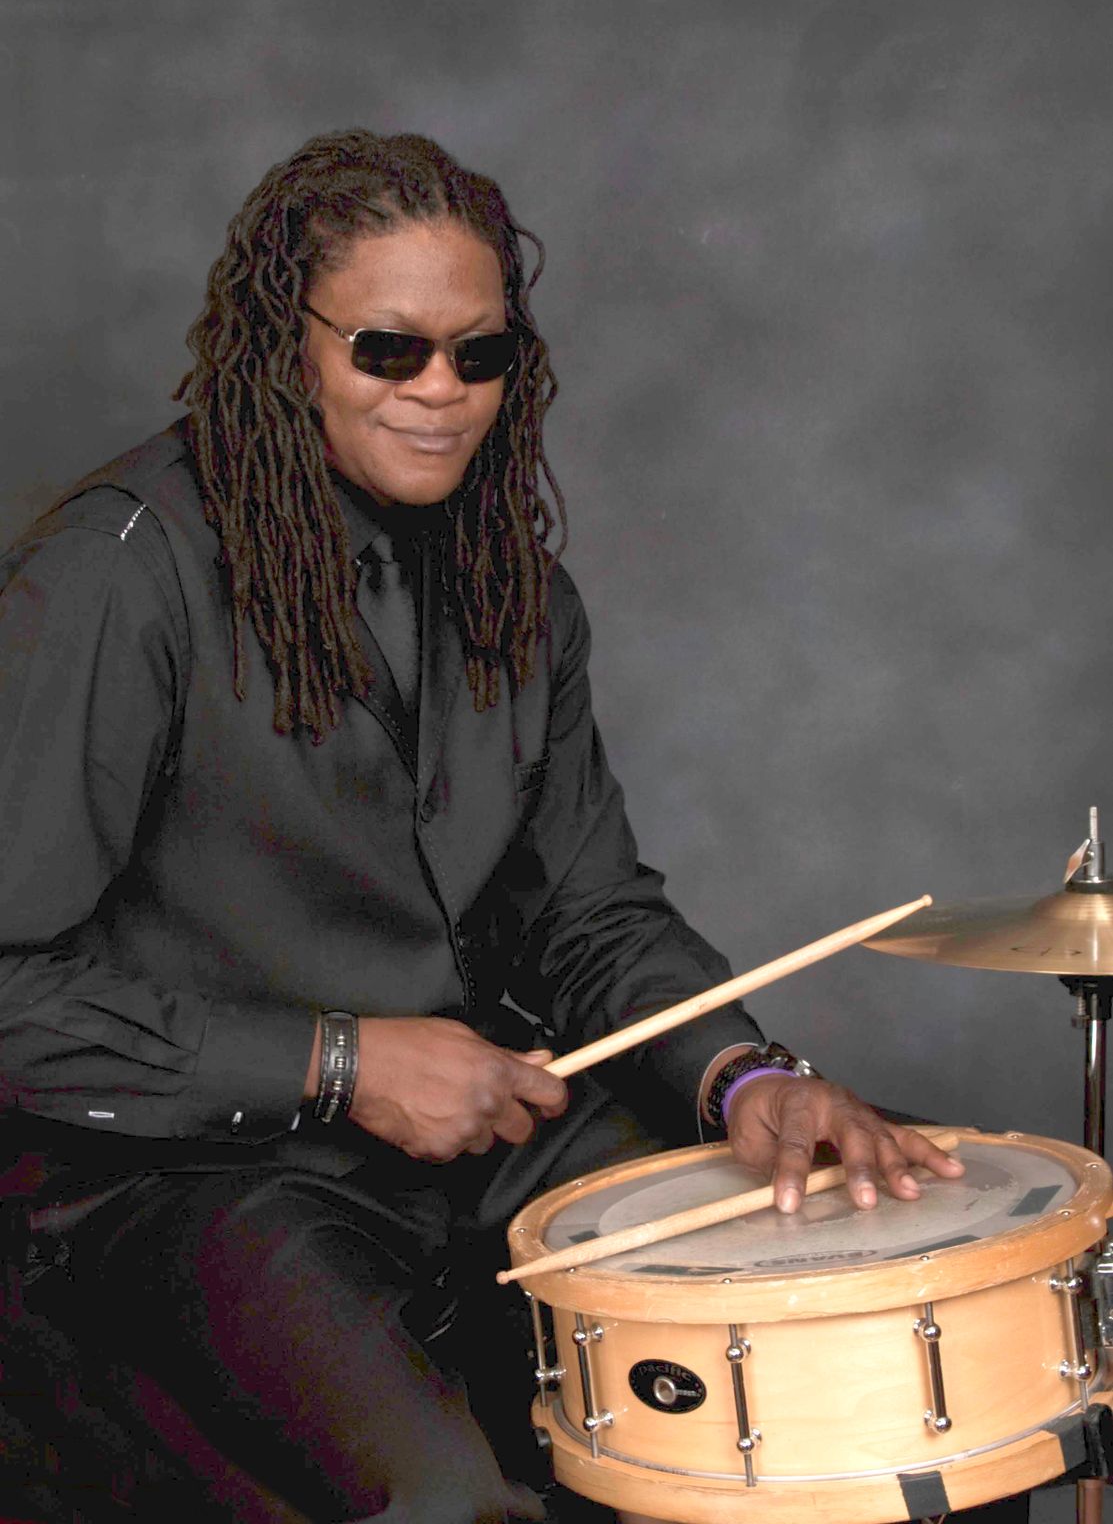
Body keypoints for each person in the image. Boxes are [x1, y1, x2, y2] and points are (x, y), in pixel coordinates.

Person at [0, 130, 1021, 1524]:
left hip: (482, 1133)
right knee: (448, 1506)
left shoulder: (511, 590)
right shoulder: (116, 578)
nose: (440, 392)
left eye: (477, 356)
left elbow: (589, 913)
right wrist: (339, 1064)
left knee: (875, 1326)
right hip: (189, 1179)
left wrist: (742, 1079)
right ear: (285, 346)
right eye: (389, 350)